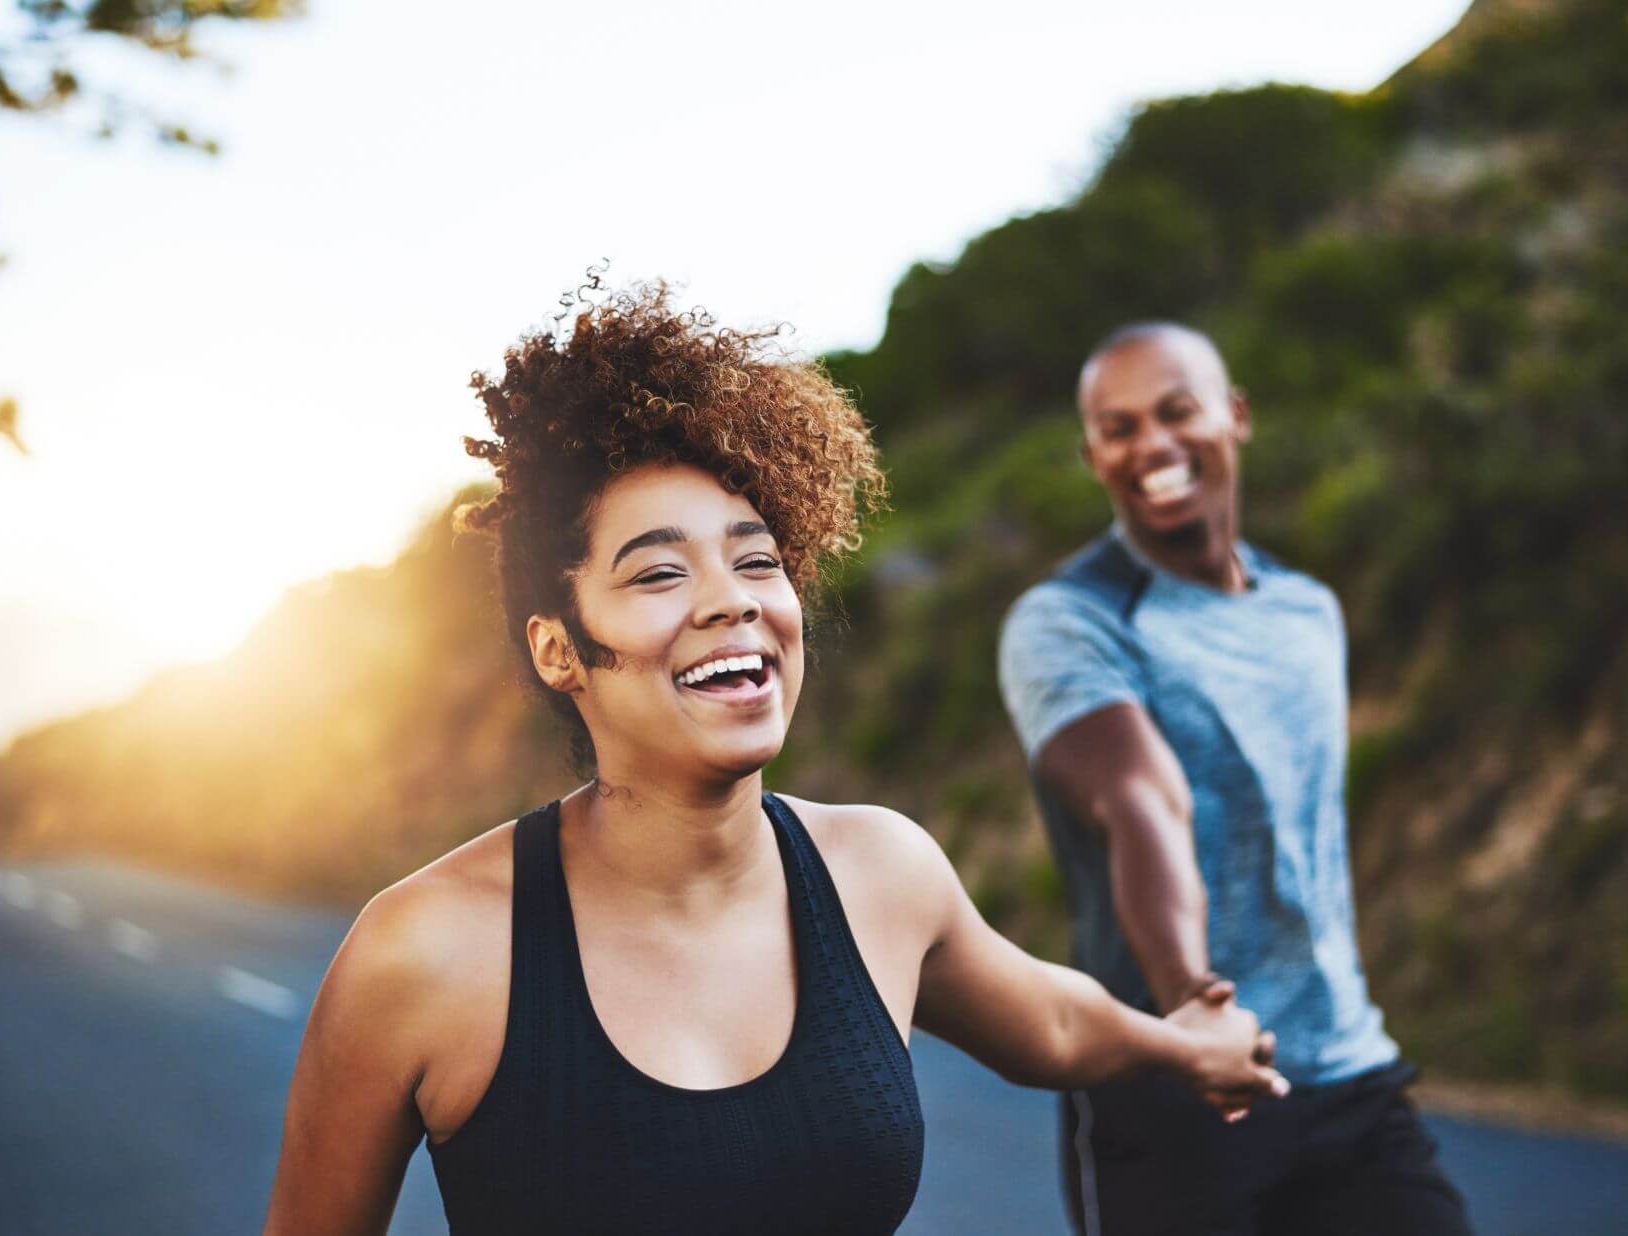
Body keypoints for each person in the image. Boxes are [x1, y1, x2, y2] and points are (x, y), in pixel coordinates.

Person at [262, 287, 1288, 1236]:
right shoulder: (424, 951)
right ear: (559, 647)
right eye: (659, 571)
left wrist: (1189, 1047)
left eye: (757, 560)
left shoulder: (881, 872)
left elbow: (1055, 1023)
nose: (731, 599)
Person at [997, 322, 1474, 1236]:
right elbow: (1140, 799)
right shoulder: (1065, 621)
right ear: (1094, 454)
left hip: (1346, 1073)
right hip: (1173, 1086)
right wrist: (1193, 1004)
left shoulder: (1309, 611)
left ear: (1236, 416)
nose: (1153, 445)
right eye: (1120, 426)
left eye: (1177, 411)